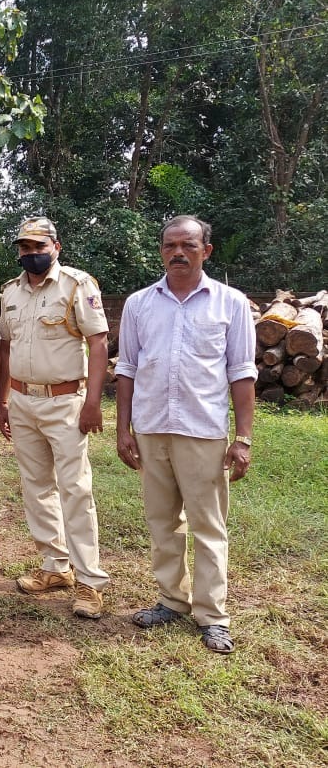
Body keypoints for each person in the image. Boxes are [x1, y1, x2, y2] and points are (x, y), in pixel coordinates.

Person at [115, 216, 256, 654]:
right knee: (162, 522)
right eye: (170, 245)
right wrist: (123, 428)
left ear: (206, 251)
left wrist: (243, 438)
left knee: (208, 526)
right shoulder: (139, 304)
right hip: (152, 427)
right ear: (161, 251)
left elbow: (241, 373)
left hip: (203, 431)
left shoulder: (230, 303)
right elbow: (127, 369)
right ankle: (170, 600)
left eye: (188, 245)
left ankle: (212, 615)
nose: (178, 252)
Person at [0, 216, 110, 619]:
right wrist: (3, 401)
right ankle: (54, 566)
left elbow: (98, 343)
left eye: (39, 248)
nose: (32, 255)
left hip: (66, 402)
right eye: (25, 249)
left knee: (75, 489)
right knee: (36, 487)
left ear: (56, 247)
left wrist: (93, 401)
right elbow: (6, 351)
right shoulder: (11, 292)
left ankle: (90, 582)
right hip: (23, 401)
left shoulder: (77, 286)